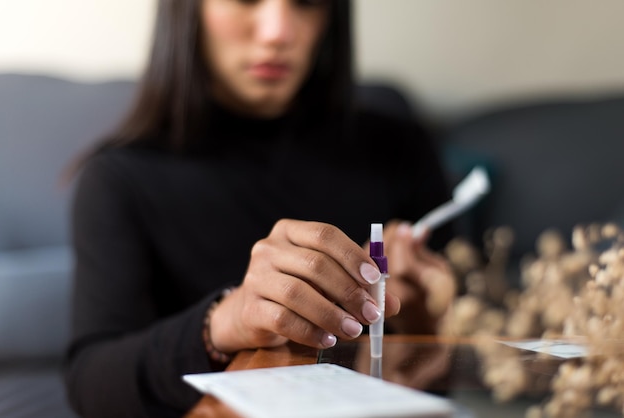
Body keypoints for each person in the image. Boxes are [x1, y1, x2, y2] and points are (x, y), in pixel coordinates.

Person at [64, 0, 456, 417]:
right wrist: (224, 323)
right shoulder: (117, 178)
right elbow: (92, 383)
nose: (278, 32)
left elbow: (476, 336)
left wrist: (429, 315)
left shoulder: (400, 148)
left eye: (306, 2)